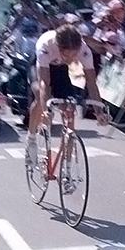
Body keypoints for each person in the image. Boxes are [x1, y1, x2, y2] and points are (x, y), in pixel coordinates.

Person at [25, 24, 108, 164]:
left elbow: (92, 83)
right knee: (40, 95)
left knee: (69, 106)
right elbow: (44, 82)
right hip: (42, 66)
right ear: (59, 47)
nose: (71, 58)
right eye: (67, 55)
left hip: (60, 69)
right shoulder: (46, 45)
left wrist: (99, 111)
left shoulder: (83, 49)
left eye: (74, 54)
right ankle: (31, 138)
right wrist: (46, 110)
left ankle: (67, 165)